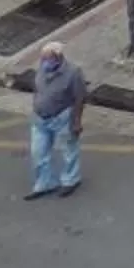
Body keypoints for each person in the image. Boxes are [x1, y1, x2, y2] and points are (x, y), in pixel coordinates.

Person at [24, 38, 86, 200]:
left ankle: (71, 180)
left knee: (68, 149)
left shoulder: (73, 72)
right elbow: (37, 89)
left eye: (47, 58)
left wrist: (76, 121)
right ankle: (45, 183)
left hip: (62, 117)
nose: (44, 62)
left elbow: (80, 97)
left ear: (58, 58)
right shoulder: (42, 69)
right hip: (40, 118)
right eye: (43, 58)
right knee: (38, 152)